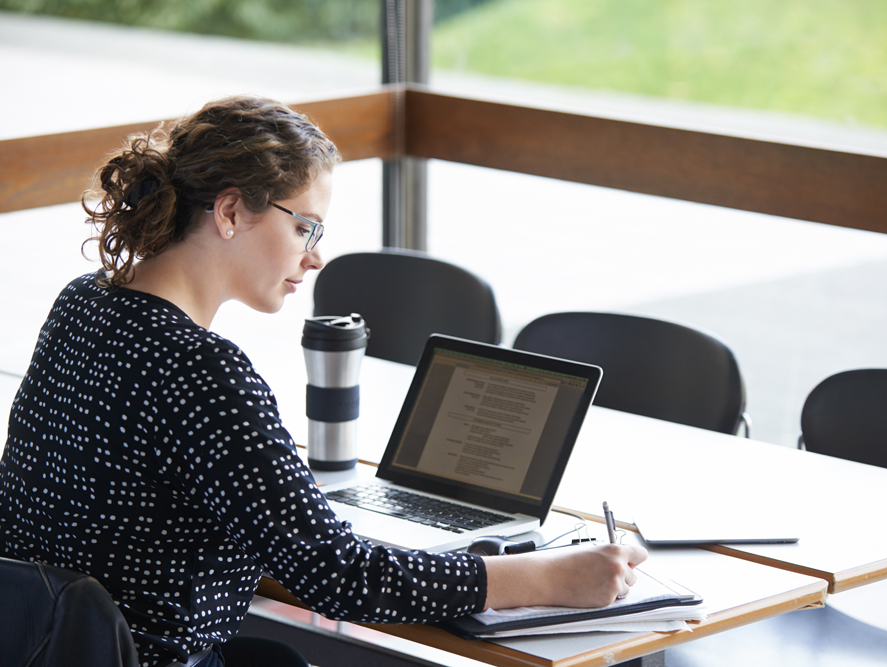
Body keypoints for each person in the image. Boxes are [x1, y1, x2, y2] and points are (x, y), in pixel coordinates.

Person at [0, 95, 647, 667]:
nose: (315, 255)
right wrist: (546, 575)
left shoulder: (84, 302)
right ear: (229, 211)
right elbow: (343, 577)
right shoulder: (201, 371)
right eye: (303, 225)